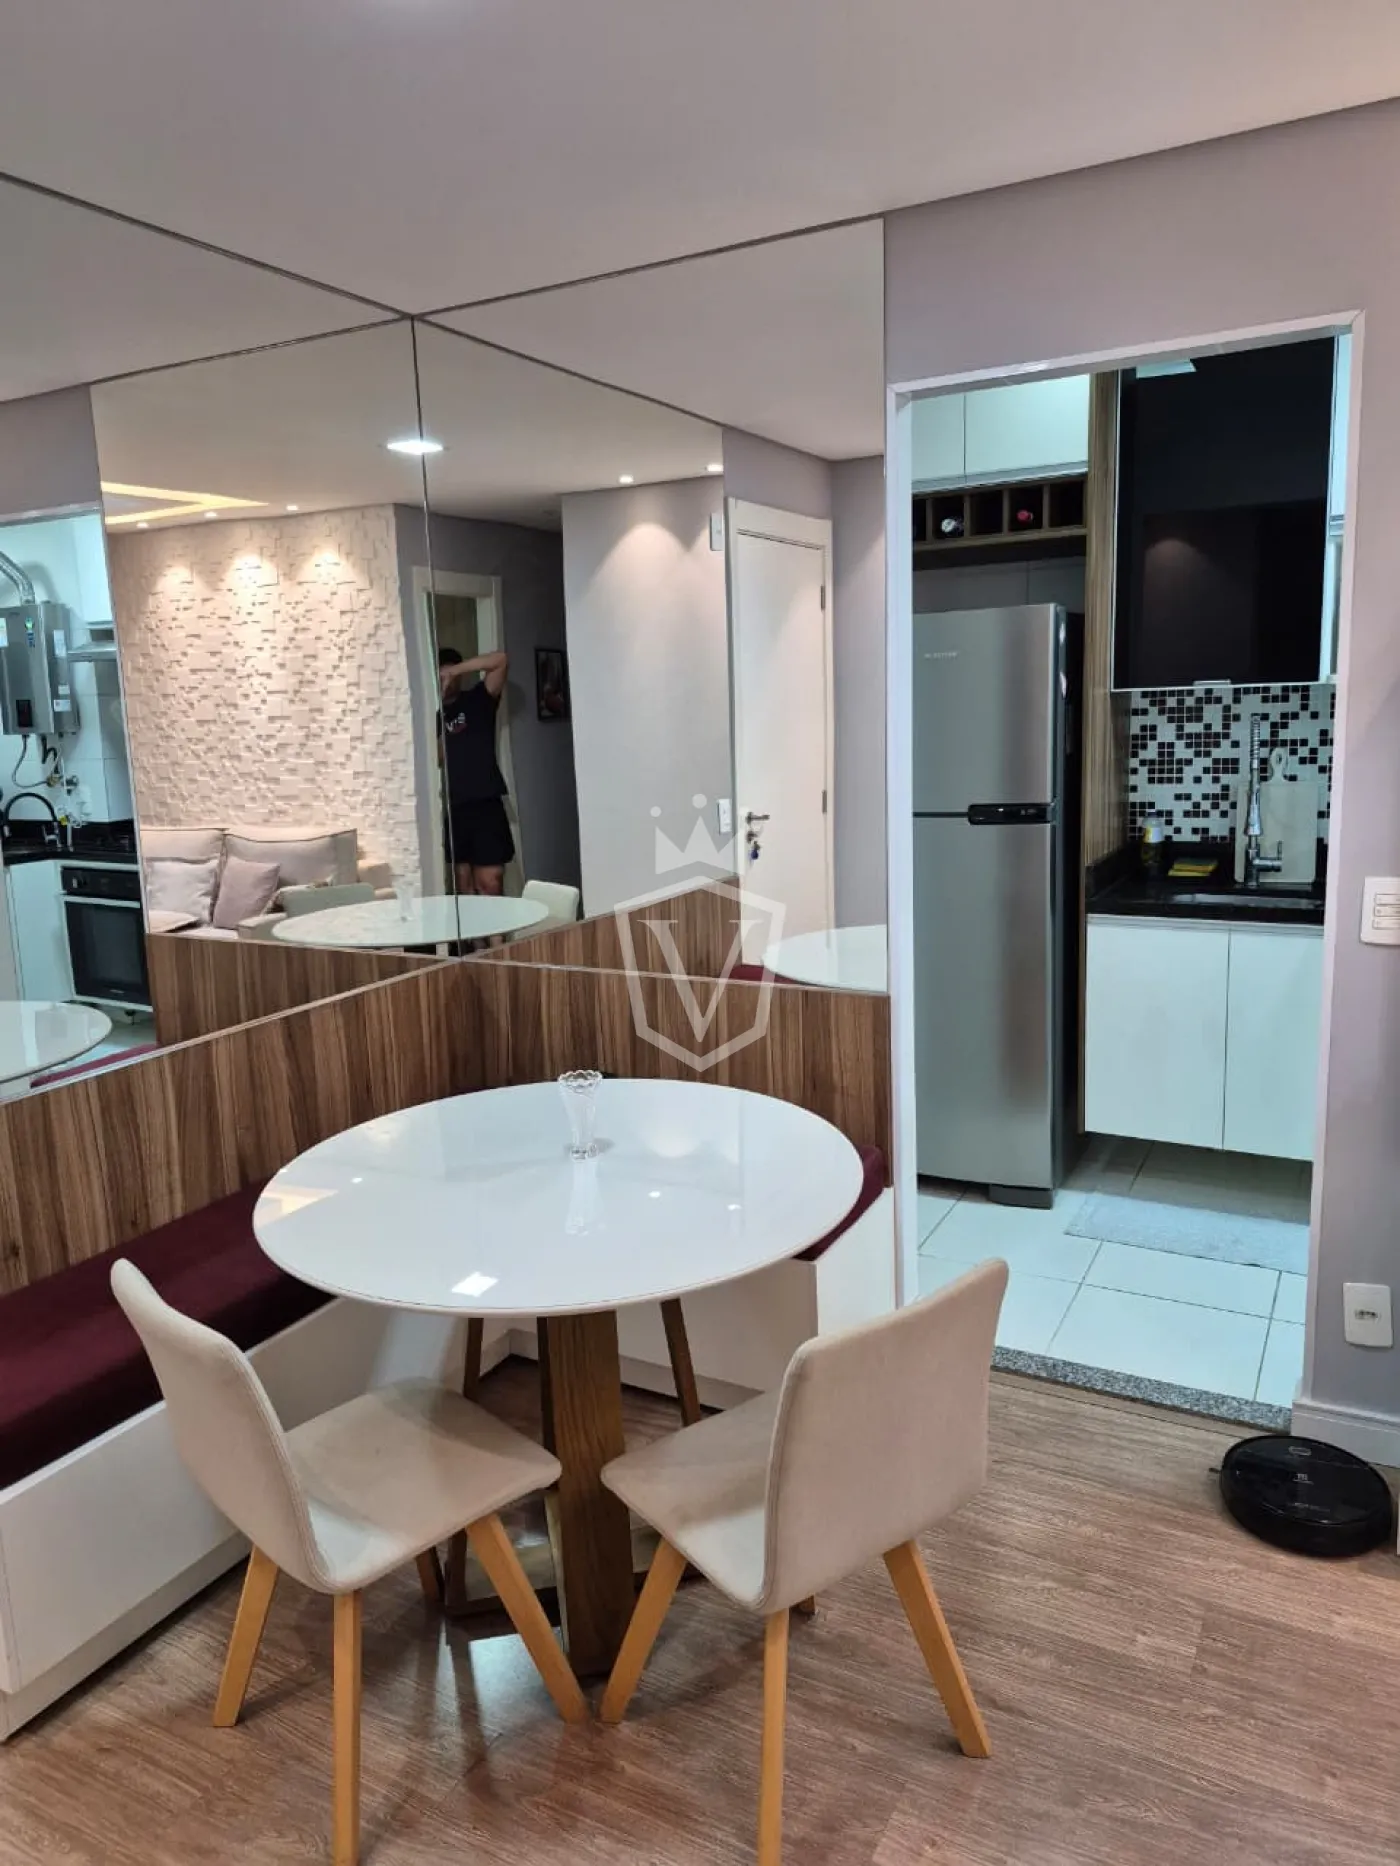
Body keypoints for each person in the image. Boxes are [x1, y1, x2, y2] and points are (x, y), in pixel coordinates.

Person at [438, 644, 513, 895]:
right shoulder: (434, 715)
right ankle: (474, 926)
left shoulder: (477, 700)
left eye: (451, 674)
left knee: (490, 881)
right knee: (463, 885)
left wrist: (456, 669)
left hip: (485, 803)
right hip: (455, 807)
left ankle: (499, 925)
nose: (447, 680)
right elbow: (436, 758)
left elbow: (500, 660)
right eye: (442, 675)